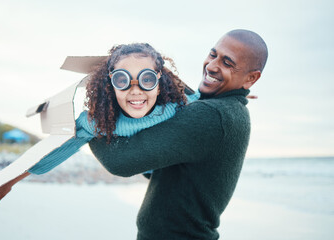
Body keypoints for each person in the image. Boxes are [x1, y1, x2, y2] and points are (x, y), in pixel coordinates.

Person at [89, 29, 268, 240]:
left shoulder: (213, 115)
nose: (211, 66)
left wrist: (84, 125)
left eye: (227, 63)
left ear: (251, 78)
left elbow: (119, 161)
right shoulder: (227, 110)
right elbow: (154, 167)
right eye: (213, 55)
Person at [0, 43, 200, 207]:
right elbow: (54, 150)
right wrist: (9, 180)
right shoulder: (97, 121)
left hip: (175, 168)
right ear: (110, 83)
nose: (136, 90)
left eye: (147, 79)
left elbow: (207, 100)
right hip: (148, 171)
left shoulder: (179, 106)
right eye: (122, 80)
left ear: (159, 81)